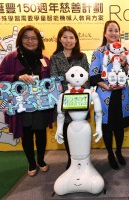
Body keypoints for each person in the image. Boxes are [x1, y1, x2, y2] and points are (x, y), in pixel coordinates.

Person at [0, 25, 52, 177]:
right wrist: (16, 78)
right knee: (26, 133)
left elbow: (51, 81)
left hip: (40, 104)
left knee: (40, 133)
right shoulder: (11, 58)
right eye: (26, 38)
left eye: (34, 38)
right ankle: (31, 163)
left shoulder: (44, 59)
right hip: (21, 104)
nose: (30, 41)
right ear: (20, 39)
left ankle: (40, 159)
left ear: (39, 41)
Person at [89, 20, 129, 170]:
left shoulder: (125, 51)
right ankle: (110, 153)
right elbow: (93, 75)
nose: (114, 33)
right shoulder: (99, 52)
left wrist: (126, 63)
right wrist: (106, 86)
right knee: (107, 127)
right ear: (105, 33)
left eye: (116, 30)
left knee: (119, 127)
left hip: (121, 94)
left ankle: (119, 151)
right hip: (105, 94)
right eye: (110, 30)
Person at [50, 26, 90, 169]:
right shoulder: (55, 58)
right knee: (67, 131)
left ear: (76, 39)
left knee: (81, 130)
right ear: (60, 39)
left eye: (71, 37)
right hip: (64, 100)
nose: (68, 40)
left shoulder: (82, 56)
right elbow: (54, 79)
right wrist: (70, 89)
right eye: (65, 37)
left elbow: (87, 79)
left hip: (80, 100)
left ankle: (84, 158)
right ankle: (71, 158)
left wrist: (80, 89)